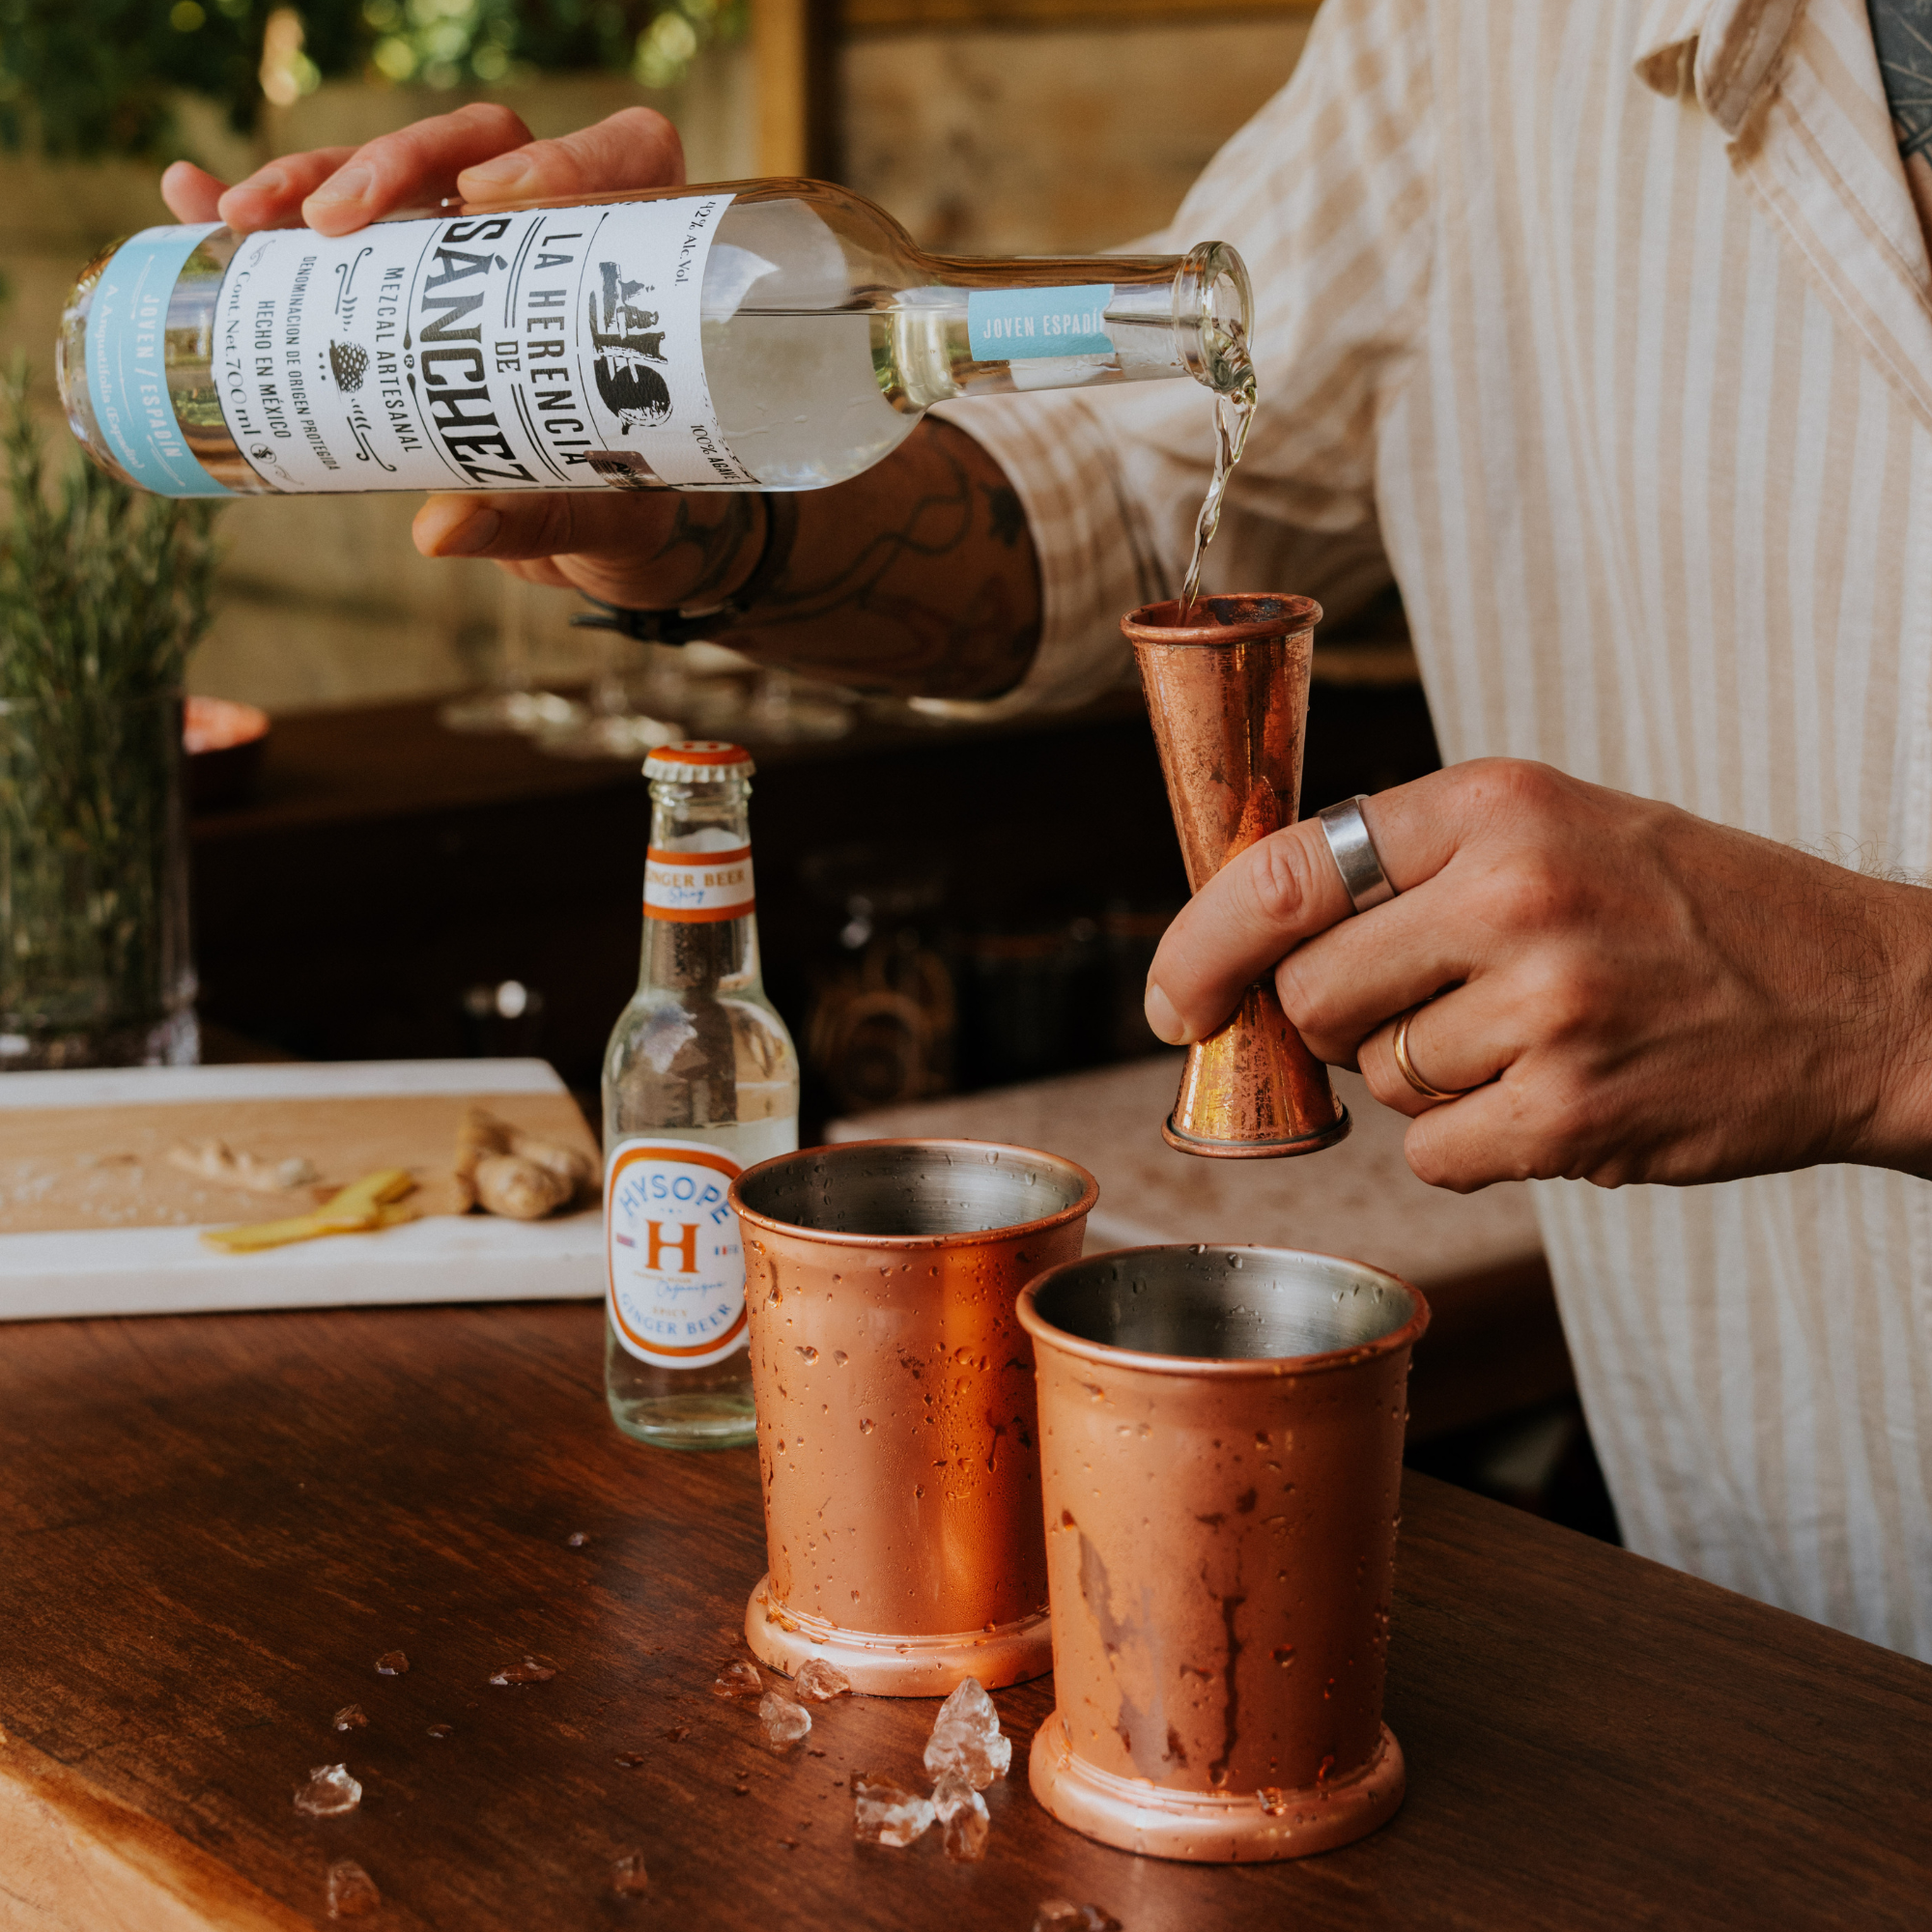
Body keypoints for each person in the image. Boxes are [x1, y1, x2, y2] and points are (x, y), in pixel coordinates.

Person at [163, 0, 1932, 1661]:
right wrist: (693, 474)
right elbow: (1111, 494)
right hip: (1760, 1608)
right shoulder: (1485, 32)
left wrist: (1884, 1011)